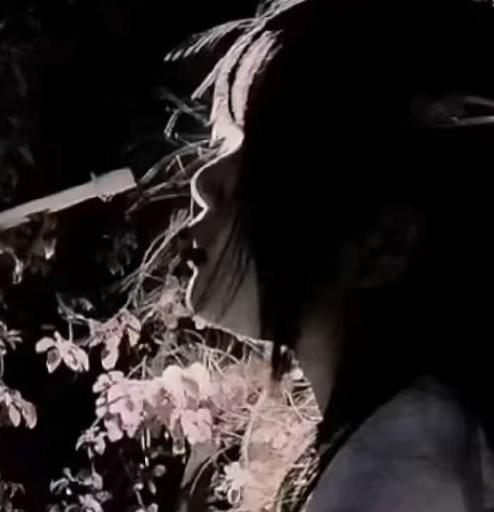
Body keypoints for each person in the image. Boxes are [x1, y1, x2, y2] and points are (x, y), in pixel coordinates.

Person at [176, 0, 494, 509]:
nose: (204, 181)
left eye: (266, 151)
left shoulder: (404, 471)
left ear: (384, 242)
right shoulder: (429, 447)